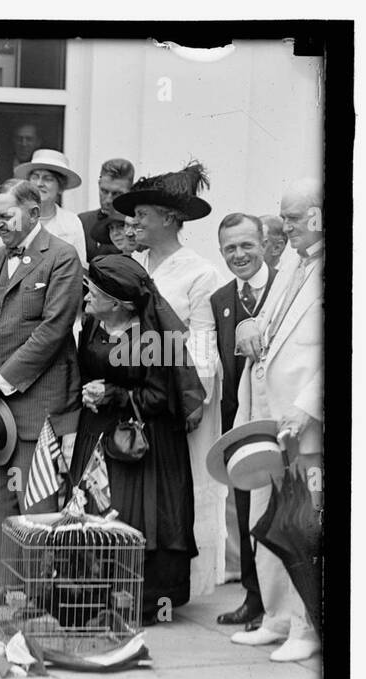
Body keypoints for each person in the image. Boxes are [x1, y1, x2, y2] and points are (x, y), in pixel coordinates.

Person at [0, 179, 84, 607]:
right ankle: (2, 582)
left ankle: (34, 593)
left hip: (37, 398)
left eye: (6, 216)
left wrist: (5, 377)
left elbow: (54, 329)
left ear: (33, 213)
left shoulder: (63, 257)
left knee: (34, 498)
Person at [114, 162, 226, 602]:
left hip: (178, 397)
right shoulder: (132, 266)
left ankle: (184, 582)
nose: (133, 222)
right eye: (133, 214)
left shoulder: (200, 273)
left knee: (185, 484)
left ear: (169, 218)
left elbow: (202, 341)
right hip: (135, 396)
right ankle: (135, 580)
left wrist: (193, 402)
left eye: (142, 214)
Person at [74, 255, 199, 620]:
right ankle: (95, 597)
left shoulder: (151, 338)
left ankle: (145, 603)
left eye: (92, 294)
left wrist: (114, 394)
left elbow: (160, 397)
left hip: (143, 439)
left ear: (117, 303)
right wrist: (89, 392)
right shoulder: (94, 324)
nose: (85, 299)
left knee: (137, 515)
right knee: (94, 511)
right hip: (97, 430)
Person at [231, 178, 323, 662]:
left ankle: (308, 630)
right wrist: (248, 327)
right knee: (265, 517)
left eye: (291, 218)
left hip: (305, 425)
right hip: (267, 417)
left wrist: (308, 407)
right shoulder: (293, 262)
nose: (281, 227)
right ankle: (276, 617)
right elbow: (268, 321)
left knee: (303, 526)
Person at [211, 212, 277, 630]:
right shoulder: (220, 300)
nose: (239, 255)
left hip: (279, 422)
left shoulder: (285, 288)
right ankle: (253, 599)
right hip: (240, 425)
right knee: (244, 511)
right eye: (230, 248)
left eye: (246, 245)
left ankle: (281, 606)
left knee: (281, 517)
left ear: (264, 243)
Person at [15, 148, 89, 269]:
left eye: (48, 178)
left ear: (60, 186)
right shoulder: (16, 217)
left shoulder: (71, 222)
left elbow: (78, 267)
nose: (39, 183)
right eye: (35, 177)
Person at [80, 158, 135, 262]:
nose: (109, 199)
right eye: (104, 191)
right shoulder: (82, 222)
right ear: (99, 185)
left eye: (117, 193)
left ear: (130, 191)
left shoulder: (138, 225)